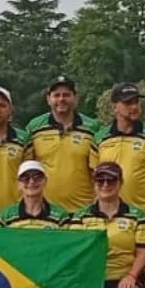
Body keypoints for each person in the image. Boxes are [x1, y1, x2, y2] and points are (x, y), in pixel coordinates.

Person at [25, 75, 98, 212]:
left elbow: (98, 170)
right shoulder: (34, 127)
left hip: (82, 211)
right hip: (45, 212)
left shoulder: (92, 128)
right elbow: (27, 169)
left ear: (76, 98)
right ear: (48, 99)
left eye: (66, 95)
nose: (61, 99)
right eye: (56, 95)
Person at [91, 83, 145, 215]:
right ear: (114, 107)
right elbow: (94, 174)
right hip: (107, 214)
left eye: (136, 102)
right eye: (128, 103)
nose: (134, 107)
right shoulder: (99, 138)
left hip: (143, 214)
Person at [0, 161, 69, 229]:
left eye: (37, 177)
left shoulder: (60, 216)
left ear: (45, 181)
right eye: (25, 178)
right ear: (18, 184)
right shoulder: (6, 216)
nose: (31, 182)